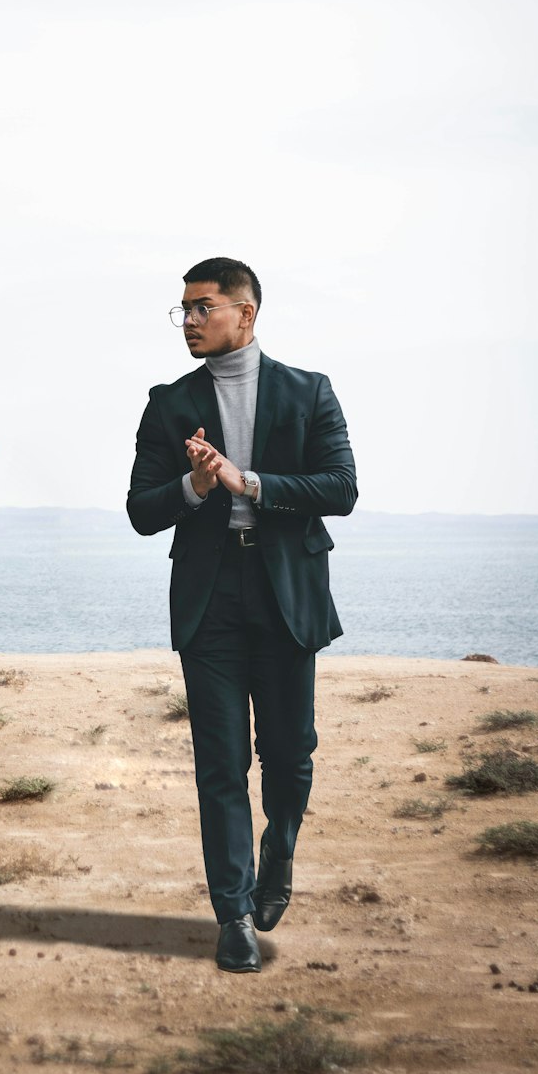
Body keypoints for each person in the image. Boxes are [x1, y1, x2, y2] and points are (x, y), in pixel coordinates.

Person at [127, 256, 357, 973]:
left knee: (289, 756)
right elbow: (141, 511)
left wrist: (247, 481)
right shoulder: (168, 403)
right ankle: (233, 914)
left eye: (203, 307)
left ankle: (278, 849)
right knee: (219, 764)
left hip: (287, 590)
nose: (189, 320)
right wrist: (194, 488)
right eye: (184, 309)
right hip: (210, 597)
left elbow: (341, 488)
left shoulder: (308, 391)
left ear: (245, 313)